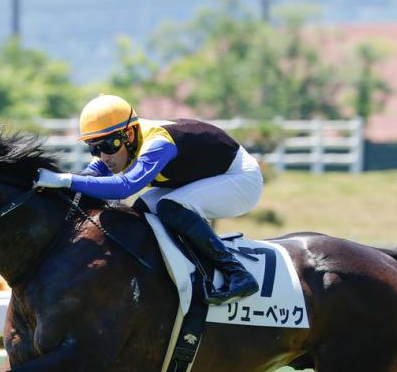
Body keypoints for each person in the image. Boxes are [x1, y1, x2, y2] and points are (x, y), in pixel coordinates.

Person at [34, 94, 261, 305]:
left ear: (130, 135)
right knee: (141, 210)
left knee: (170, 206)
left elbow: (125, 187)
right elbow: (89, 177)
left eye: (108, 145)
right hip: (201, 178)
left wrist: (65, 180)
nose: (103, 156)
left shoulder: (158, 142)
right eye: (94, 148)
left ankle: (237, 274)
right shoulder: (123, 143)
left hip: (241, 179)